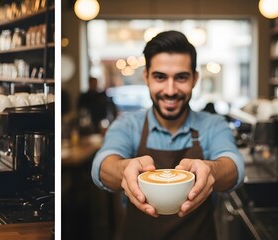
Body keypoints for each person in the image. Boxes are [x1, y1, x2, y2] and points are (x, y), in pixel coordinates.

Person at [91, 31, 244, 240]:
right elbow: (102, 163)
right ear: (146, 77)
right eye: (160, 77)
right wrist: (123, 169)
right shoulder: (127, 124)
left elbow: (234, 166)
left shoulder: (213, 124)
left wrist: (212, 171)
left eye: (181, 77)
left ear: (194, 79)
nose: (170, 90)